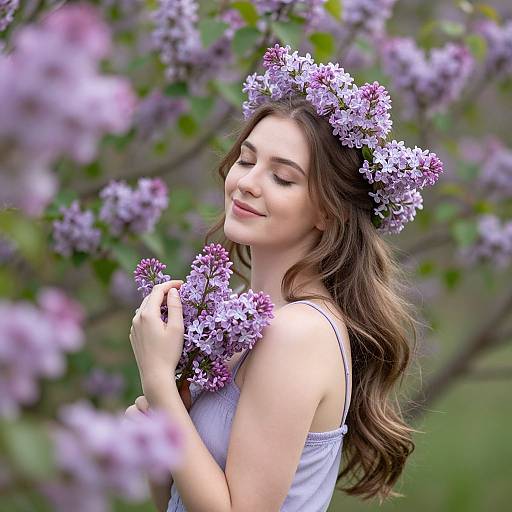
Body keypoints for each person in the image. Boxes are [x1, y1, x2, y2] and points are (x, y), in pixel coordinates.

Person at [126, 45, 439, 511]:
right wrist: (161, 443)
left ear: (328, 211)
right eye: (247, 160)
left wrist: (157, 379)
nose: (248, 182)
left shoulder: (298, 334)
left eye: (284, 178)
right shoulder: (246, 319)